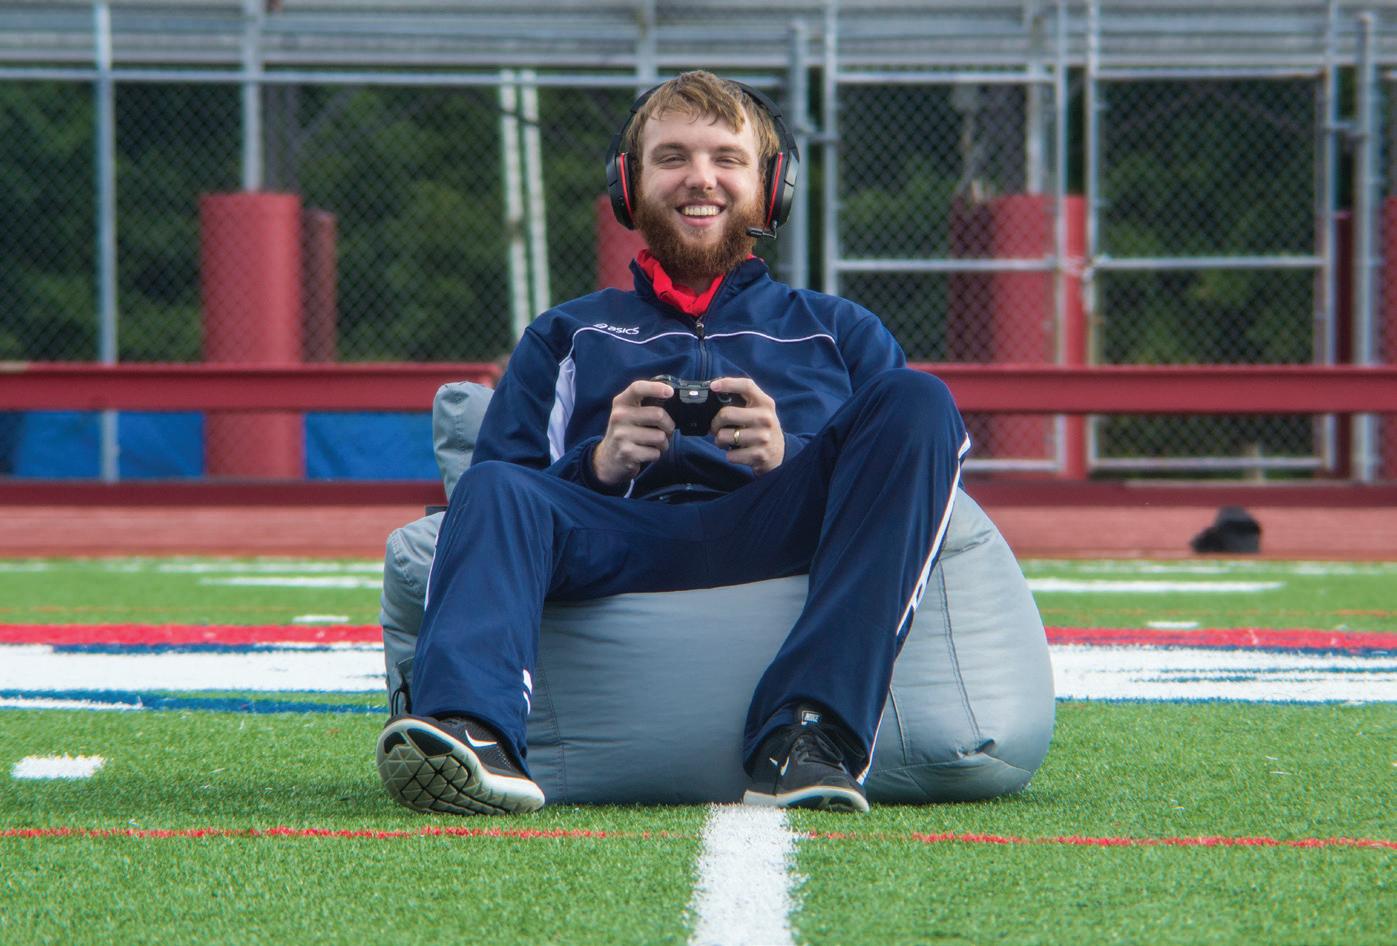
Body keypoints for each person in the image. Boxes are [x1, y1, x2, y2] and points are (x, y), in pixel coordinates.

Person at [376, 70, 970, 816]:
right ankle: (472, 730)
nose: (701, 179)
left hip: (779, 527)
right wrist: (599, 466)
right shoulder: (565, 333)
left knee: (918, 399)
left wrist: (789, 455)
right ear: (628, 185)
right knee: (488, 485)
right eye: (672, 157)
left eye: (727, 158)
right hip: (616, 536)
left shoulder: (838, 329)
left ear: (771, 186)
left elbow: (908, 487)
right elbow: (499, 498)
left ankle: (809, 733)